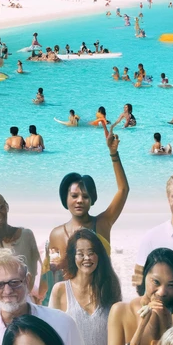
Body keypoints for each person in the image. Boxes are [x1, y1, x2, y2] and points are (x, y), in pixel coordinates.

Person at [45, 123, 130, 291]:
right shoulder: (57, 234)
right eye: (74, 196)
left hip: (104, 292)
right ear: (65, 198)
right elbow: (52, 274)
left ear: (92, 200)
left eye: (85, 196)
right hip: (71, 298)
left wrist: (114, 154)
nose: (79, 200)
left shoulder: (103, 223)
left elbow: (123, 189)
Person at [49, 228, 122, 345]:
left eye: (91, 253)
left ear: (99, 256)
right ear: (72, 257)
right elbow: (52, 338)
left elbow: (119, 332)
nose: (87, 258)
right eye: (80, 254)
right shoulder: (60, 290)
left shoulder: (110, 287)